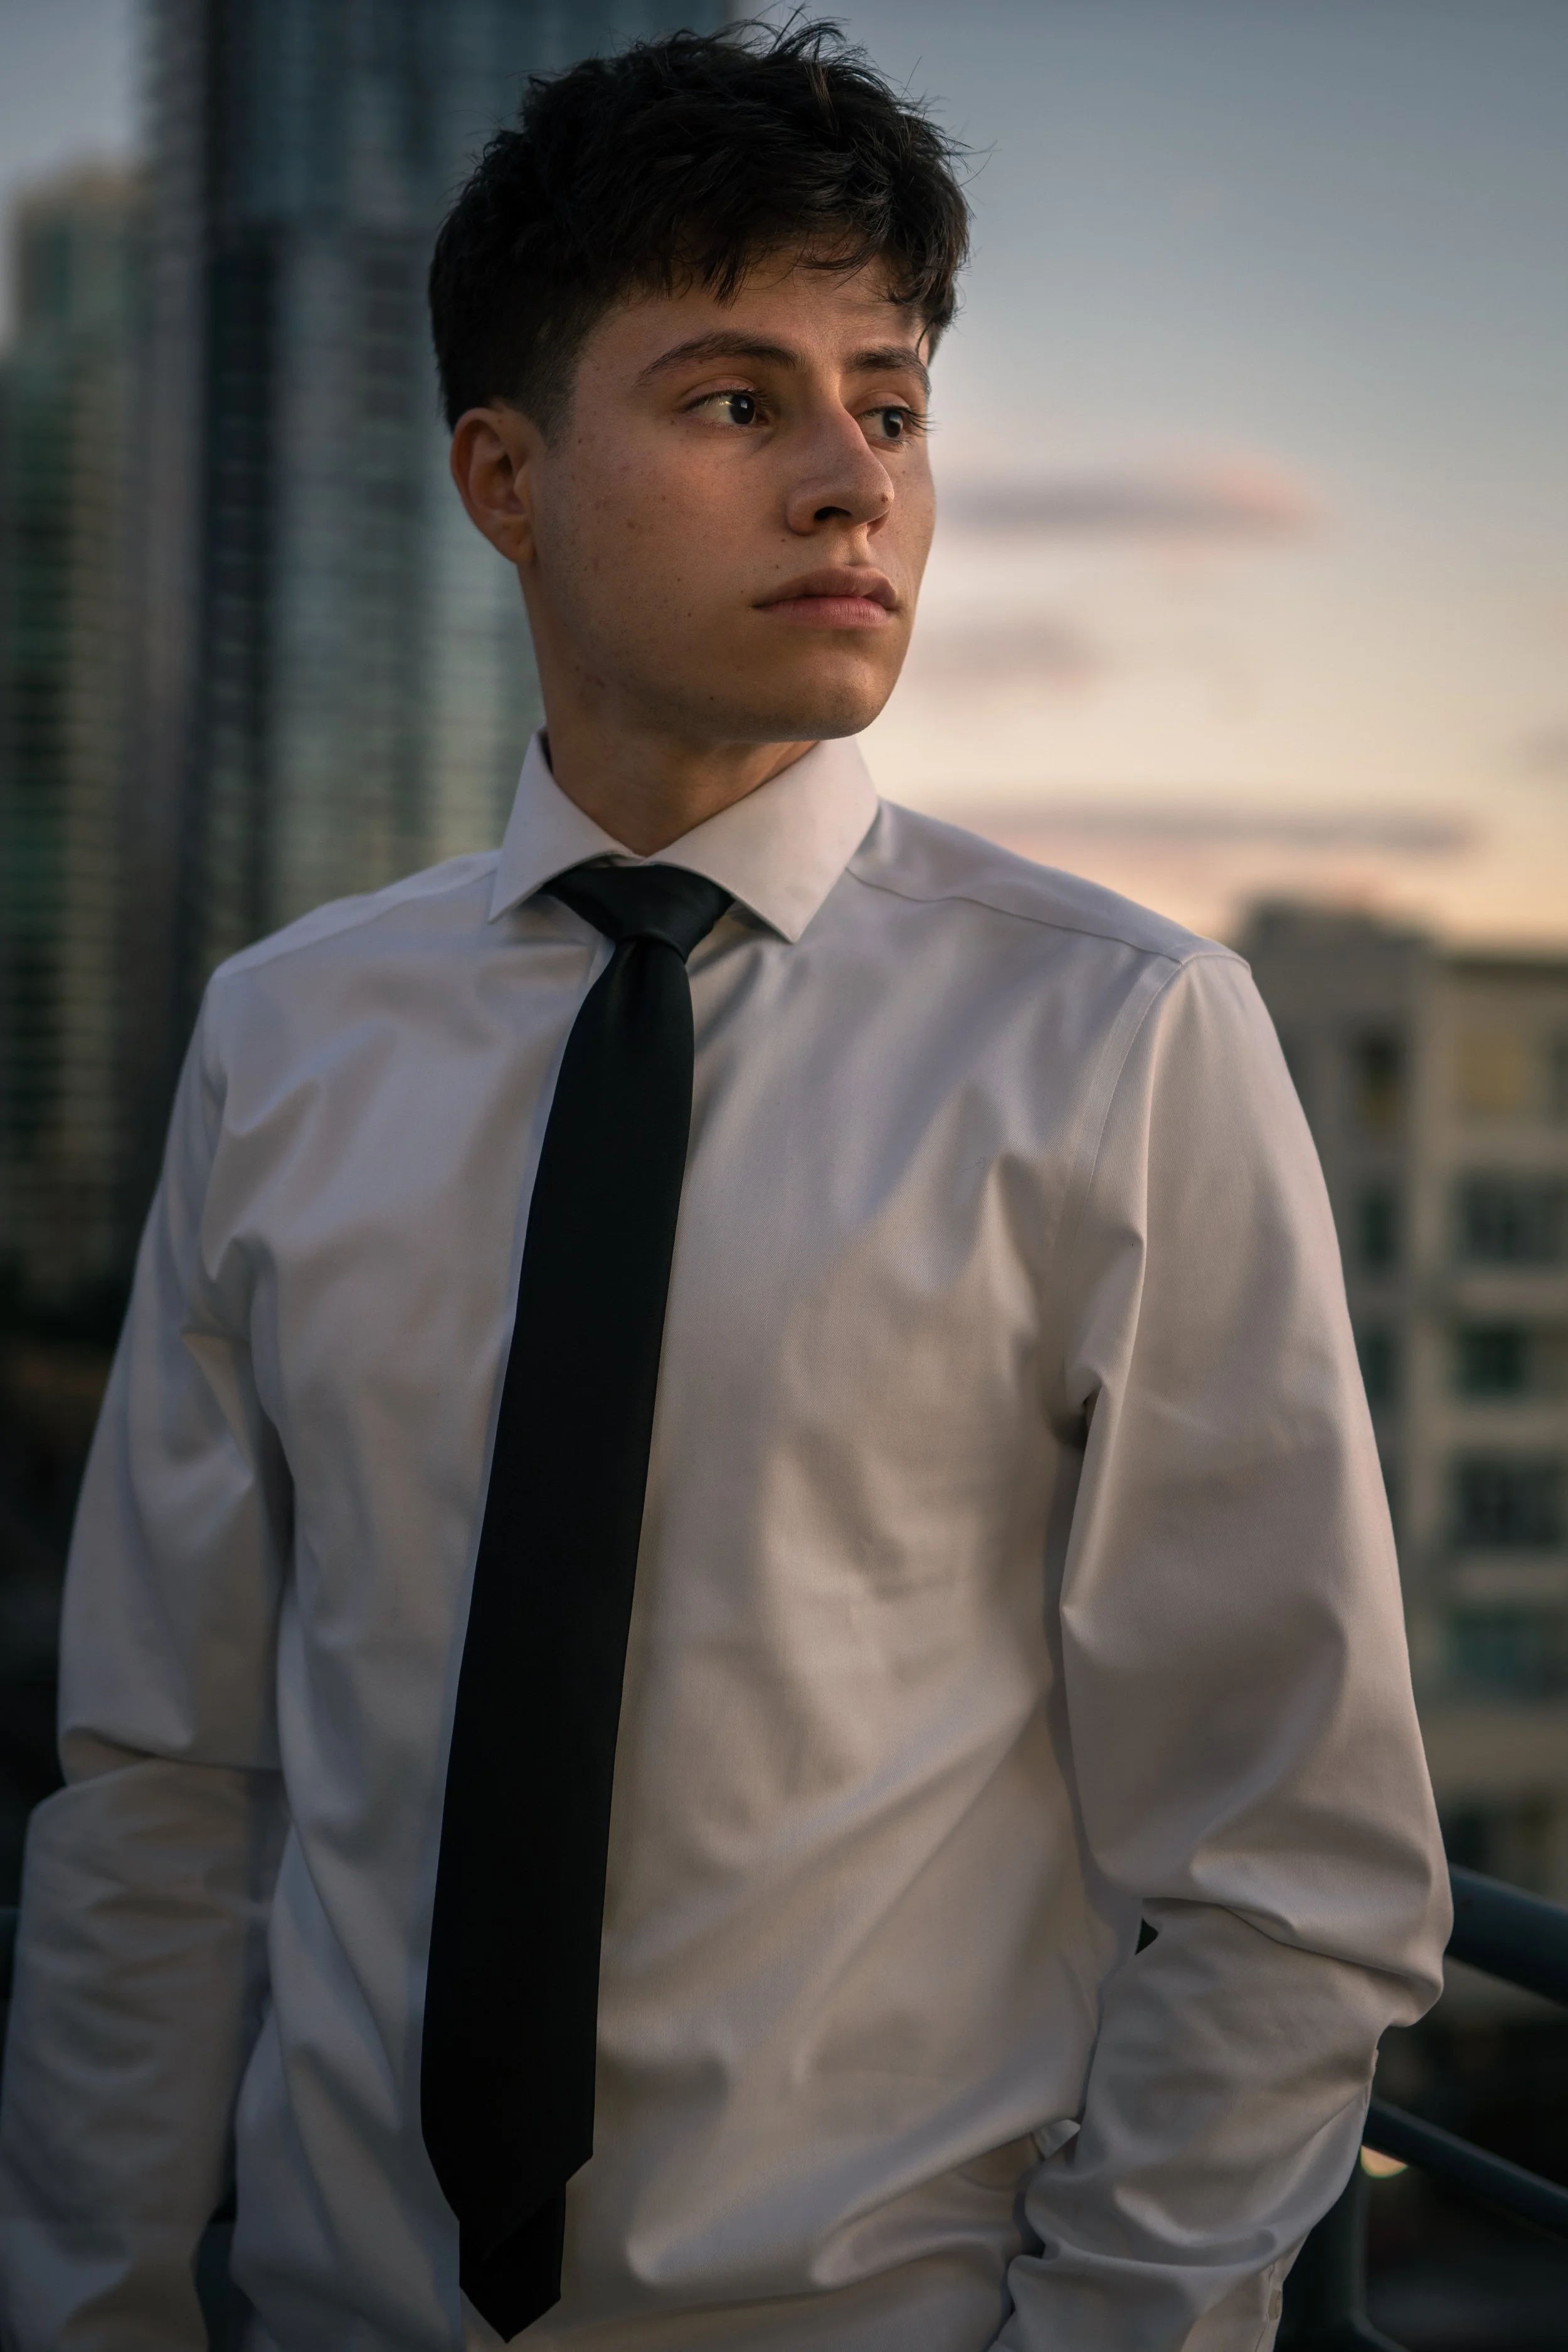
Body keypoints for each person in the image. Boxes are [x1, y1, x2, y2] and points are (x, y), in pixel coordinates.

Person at [0, 21, 1448, 2352]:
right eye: (731, 399)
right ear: (502, 473)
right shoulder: (284, 1036)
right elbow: (166, 1787)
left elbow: (1290, 1869)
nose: (848, 485)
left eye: (887, 403)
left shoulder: (1117, 1034)